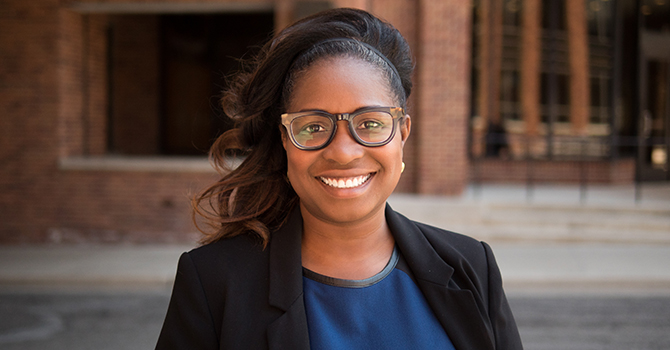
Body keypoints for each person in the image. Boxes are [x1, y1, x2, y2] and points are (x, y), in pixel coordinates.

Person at [155, 8, 522, 350]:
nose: (343, 153)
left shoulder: (472, 267)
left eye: (371, 123)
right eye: (314, 126)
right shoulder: (213, 282)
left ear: (403, 134)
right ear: (286, 140)